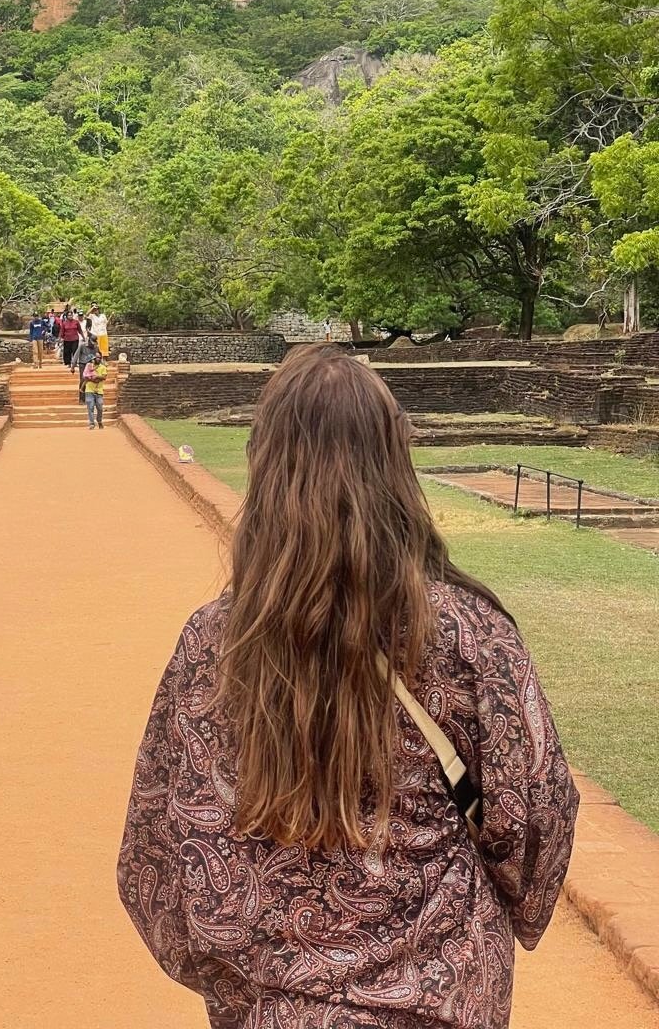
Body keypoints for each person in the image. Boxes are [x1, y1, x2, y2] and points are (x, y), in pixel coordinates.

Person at [118, 345, 577, 1029]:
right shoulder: (466, 636)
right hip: (441, 999)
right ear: (394, 463)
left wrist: (251, 975)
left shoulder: (215, 645)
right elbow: (537, 820)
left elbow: (157, 856)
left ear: (265, 468)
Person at [82, 351, 107, 428]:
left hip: (99, 390)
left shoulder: (103, 367)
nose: (98, 359)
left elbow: (104, 377)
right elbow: (85, 376)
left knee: (100, 406)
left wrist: (97, 377)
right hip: (89, 389)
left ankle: (99, 420)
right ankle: (92, 423)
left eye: (99, 357)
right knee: (90, 406)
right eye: (96, 357)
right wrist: (91, 378)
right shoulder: (89, 366)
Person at [74, 329, 99, 401]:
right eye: (92, 342)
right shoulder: (82, 346)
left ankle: (93, 398)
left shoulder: (96, 347)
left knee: (94, 380)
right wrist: (73, 366)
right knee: (83, 380)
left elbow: (99, 356)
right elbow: (76, 355)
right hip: (83, 364)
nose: (93, 344)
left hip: (92, 365)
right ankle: (82, 398)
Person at [58, 306, 82, 371]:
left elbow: (80, 330)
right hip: (67, 339)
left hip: (75, 339)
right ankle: (68, 363)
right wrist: (60, 338)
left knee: (75, 351)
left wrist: (83, 336)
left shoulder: (76, 322)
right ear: (67, 316)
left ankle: (74, 363)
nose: (70, 316)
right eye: (69, 315)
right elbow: (62, 331)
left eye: (71, 315)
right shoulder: (64, 323)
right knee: (67, 352)